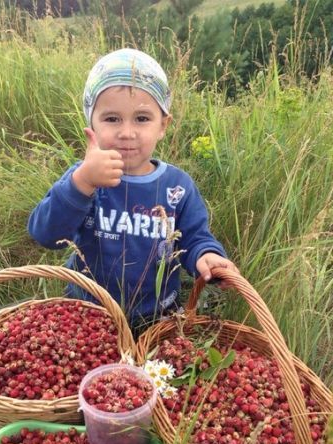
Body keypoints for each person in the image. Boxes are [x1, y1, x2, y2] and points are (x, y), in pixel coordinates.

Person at [28, 48, 239, 333]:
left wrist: (207, 256)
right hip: (88, 312)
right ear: (91, 124)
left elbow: (194, 237)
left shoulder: (177, 186)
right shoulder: (84, 176)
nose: (127, 132)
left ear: (163, 126)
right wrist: (83, 183)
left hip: (157, 317)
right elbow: (45, 235)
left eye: (142, 119)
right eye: (112, 119)